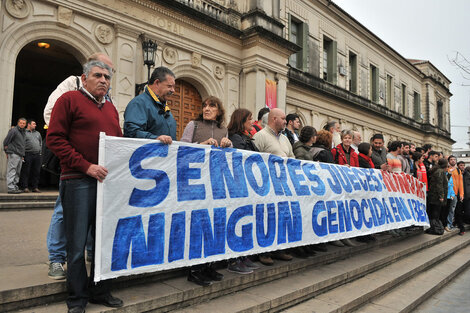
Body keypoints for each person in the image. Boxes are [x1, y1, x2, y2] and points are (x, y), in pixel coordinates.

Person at [47, 60, 123, 313]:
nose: (103, 80)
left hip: (106, 185)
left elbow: (118, 144)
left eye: (107, 77)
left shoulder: (111, 109)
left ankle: (100, 290)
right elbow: (55, 139)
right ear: (84, 78)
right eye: (98, 75)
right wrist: (85, 165)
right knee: (77, 244)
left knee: (103, 242)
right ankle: (77, 298)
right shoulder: (68, 100)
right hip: (78, 181)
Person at [180, 96, 230, 286]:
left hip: (215, 183)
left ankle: (209, 265)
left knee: (214, 224)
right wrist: (201, 145)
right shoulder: (193, 125)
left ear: (219, 110)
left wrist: (228, 144)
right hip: (195, 183)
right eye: (205, 106)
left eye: (212, 106)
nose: (207, 109)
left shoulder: (223, 130)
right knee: (197, 225)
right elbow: (182, 148)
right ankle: (194, 270)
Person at [253, 108, 294, 263]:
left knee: (280, 217)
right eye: (283, 118)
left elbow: (292, 158)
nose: (285, 121)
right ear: (274, 119)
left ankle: (278, 249)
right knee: (266, 217)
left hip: (283, 185)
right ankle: (264, 252)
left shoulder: (285, 139)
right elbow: (253, 161)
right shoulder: (260, 136)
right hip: (266, 185)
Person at [226, 108, 260, 274]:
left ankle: (242, 255)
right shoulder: (235, 138)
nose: (252, 122)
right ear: (241, 121)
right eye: (249, 119)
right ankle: (233, 259)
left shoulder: (246, 137)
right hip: (239, 186)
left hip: (248, 186)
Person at [124, 66, 176, 142]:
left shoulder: (164, 107)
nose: (173, 90)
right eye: (169, 86)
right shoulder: (139, 103)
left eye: (173, 87)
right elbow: (131, 132)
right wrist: (155, 139)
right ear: (157, 83)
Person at [3, 118, 26, 193]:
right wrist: (7, 151)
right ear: (18, 123)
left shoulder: (23, 132)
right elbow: (6, 141)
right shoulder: (14, 130)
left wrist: (22, 155)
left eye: (23, 123)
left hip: (20, 154)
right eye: (21, 123)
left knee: (17, 171)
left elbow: (22, 144)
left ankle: (15, 187)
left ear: (25, 124)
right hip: (14, 153)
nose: (22, 124)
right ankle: (10, 188)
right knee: (12, 170)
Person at [426, 158, 448, 235]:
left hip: (435, 195)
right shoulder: (440, 172)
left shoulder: (439, 171)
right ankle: (434, 228)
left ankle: (434, 227)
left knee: (435, 212)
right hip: (436, 196)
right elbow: (439, 185)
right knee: (435, 213)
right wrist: (441, 196)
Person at [19, 120, 42, 192]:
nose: (35, 125)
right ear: (29, 125)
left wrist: (40, 153)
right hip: (27, 154)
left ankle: (35, 187)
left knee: (36, 171)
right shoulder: (24, 133)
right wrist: (22, 154)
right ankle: (24, 187)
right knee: (26, 171)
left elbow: (40, 143)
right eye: (34, 124)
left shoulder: (38, 133)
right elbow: (21, 144)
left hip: (37, 155)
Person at [445, 155, 464, 231]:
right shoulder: (447, 169)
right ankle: (446, 224)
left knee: (452, 209)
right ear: (449, 161)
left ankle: (450, 224)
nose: (453, 161)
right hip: (447, 193)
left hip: (455, 194)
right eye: (451, 159)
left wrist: (461, 194)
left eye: (454, 159)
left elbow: (460, 183)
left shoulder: (458, 170)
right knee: (447, 209)